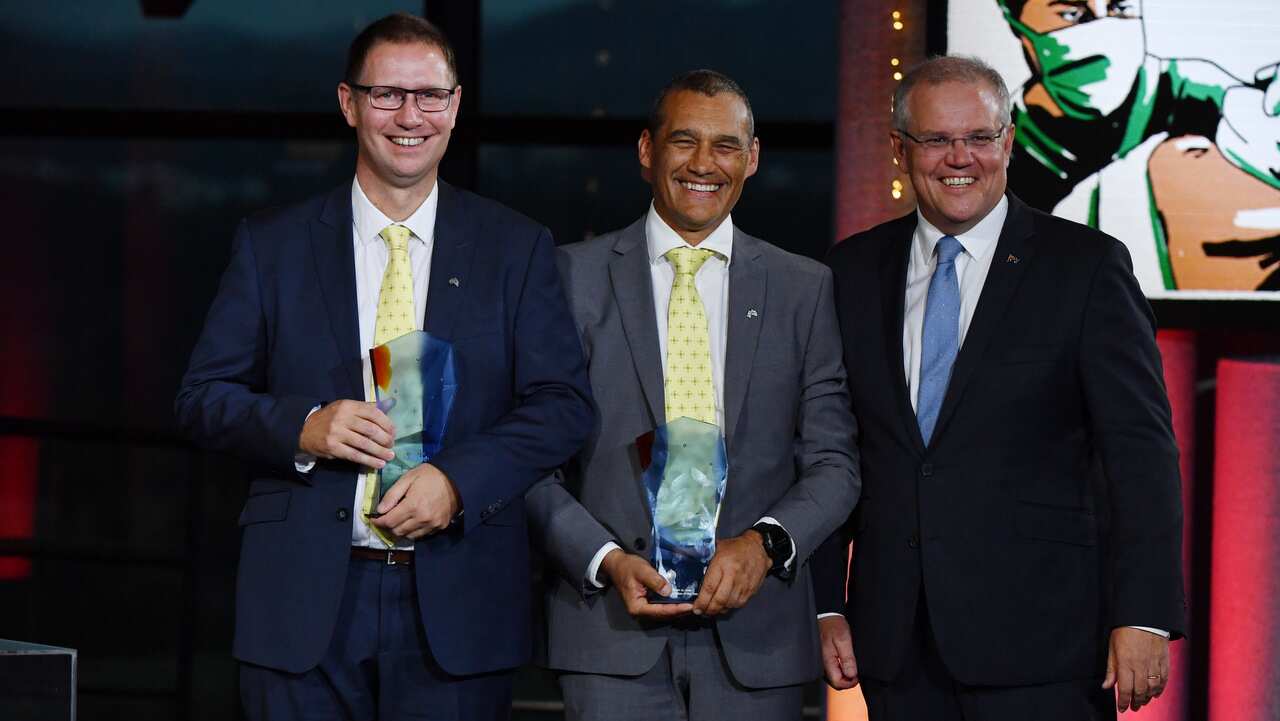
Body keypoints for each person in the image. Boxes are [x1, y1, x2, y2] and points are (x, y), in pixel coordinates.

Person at [174, 12, 592, 720]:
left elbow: (563, 406)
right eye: (387, 94)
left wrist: (459, 482)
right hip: (302, 604)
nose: (410, 116)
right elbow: (200, 397)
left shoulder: (516, 248)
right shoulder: (272, 246)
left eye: (430, 96)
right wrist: (304, 426)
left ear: (456, 107)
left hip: (458, 604)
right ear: (349, 104)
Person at [812, 55, 1185, 720]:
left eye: (980, 137)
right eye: (936, 139)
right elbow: (829, 454)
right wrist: (825, 602)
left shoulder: (1086, 268)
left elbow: (1142, 455)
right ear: (901, 150)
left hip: (1046, 647)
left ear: (1008, 142)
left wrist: (1146, 613)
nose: (962, 158)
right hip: (898, 648)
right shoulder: (849, 272)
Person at [526, 70, 860, 721]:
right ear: (648, 151)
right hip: (608, 633)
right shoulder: (569, 277)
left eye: (726, 145)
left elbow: (835, 464)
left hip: (758, 642)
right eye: (684, 141)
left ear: (753, 157)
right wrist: (604, 559)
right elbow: (531, 460)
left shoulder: (804, 289)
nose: (704, 164)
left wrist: (764, 545)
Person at [996, 0, 1280, 289]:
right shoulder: (1002, 154)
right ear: (1015, 21)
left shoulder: (1184, 89)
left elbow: (1256, 132)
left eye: (1120, 9)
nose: (1105, 29)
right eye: (1073, 14)